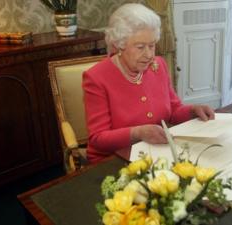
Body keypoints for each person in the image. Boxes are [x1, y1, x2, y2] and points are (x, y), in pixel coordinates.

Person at [82, 3, 215, 163]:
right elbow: (98, 139)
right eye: (140, 47)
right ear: (119, 45)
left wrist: (193, 111)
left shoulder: (158, 66)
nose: (149, 55)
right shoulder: (96, 77)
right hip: (113, 160)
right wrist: (138, 133)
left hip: (156, 153)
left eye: (152, 46)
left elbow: (173, 111)